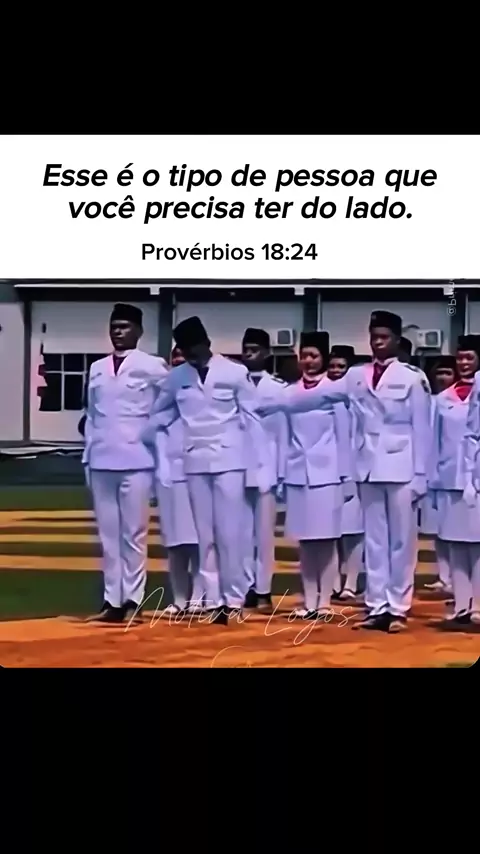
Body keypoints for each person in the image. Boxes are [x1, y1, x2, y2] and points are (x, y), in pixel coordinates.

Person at [258, 311, 431, 633]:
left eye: (384, 337)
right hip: (368, 466)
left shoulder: (411, 377)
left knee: (401, 542)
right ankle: (376, 605)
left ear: (396, 340)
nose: (378, 342)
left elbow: (422, 428)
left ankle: (398, 607)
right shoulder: (356, 375)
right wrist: (270, 403)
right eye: (374, 336)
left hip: (402, 466)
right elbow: (317, 397)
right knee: (375, 541)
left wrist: (421, 475)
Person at [143, 316, 268, 626]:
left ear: (206, 344)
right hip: (195, 460)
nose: (191, 355)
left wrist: (260, 467)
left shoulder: (234, 372)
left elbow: (253, 419)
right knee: (205, 536)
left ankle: (234, 599)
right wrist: (154, 434)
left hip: (229, 461)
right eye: (185, 350)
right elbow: (160, 411)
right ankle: (213, 601)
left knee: (230, 533)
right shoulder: (177, 377)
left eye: (194, 348)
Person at [83, 303, 168, 624]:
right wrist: (87, 456)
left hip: (137, 459)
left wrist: (153, 433)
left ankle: (133, 599)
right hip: (101, 458)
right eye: (114, 326)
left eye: (124, 326)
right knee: (108, 536)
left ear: (139, 331)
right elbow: (92, 415)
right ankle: (112, 601)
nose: (117, 332)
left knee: (133, 533)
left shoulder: (152, 365)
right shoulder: (97, 367)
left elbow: (171, 402)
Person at [280, 331, 354, 619]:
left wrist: (346, 477)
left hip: (328, 474)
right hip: (298, 474)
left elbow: (344, 437)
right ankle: (309, 600)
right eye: (304, 356)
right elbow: (284, 437)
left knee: (326, 540)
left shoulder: (334, 392)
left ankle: (325, 601)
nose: (308, 361)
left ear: (323, 358)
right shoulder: (289, 393)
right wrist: (282, 474)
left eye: (314, 355)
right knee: (306, 542)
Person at [431, 335, 480, 627]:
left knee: (478, 545)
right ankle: (461, 605)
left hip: (476, 478)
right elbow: (434, 442)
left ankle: (479, 605)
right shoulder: (442, 399)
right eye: (460, 358)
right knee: (456, 545)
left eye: (469, 358)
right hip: (449, 478)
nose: (463, 363)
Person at [241, 328, 288, 614]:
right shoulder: (234, 384)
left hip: (267, 468)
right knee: (240, 534)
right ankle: (245, 586)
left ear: (267, 353)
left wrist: (282, 473)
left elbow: (283, 433)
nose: (250, 354)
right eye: (246, 349)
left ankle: (263, 589)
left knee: (265, 535)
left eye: (255, 349)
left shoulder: (278, 388)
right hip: (238, 467)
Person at [154, 346, 202, 617]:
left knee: (197, 542)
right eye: (176, 359)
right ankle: (179, 598)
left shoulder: (199, 403)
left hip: (195, 477)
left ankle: (199, 596)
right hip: (168, 481)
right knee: (174, 545)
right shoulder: (161, 410)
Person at [328, 345, 365, 601]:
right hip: (326, 471)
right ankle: (331, 582)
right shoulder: (321, 395)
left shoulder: (360, 399)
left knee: (353, 531)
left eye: (341, 366)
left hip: (355, 469)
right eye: (332, 366)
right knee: (329, 531)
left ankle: (351, 582)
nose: (336, 371)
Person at [421, 356, 457, 595]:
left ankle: (460, 579)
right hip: (433, 471)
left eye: (448, 373)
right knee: (439, 530)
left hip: (456, 472)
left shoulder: (462, 401)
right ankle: (444, 577)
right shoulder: (428, 401)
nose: (443, 378)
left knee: (459, 532)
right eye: (439, 373)